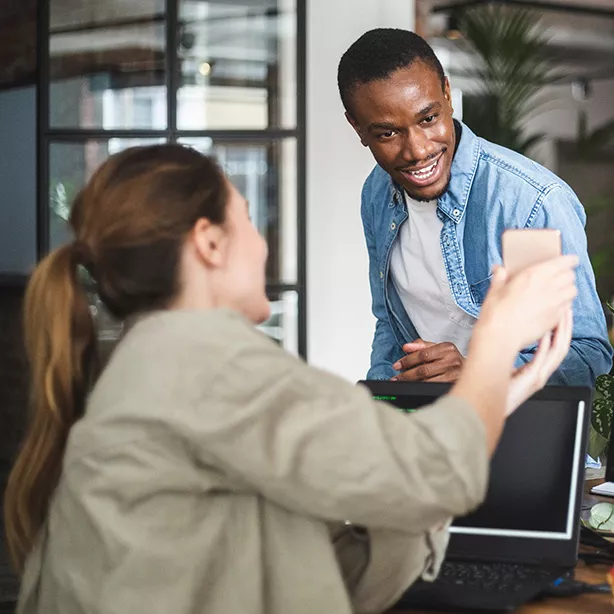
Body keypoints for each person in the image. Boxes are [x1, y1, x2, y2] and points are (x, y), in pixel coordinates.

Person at [5, 144, 577, 614]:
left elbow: (343, 572)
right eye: (249, 221)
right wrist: (495, 338)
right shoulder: (209, 365)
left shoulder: (152, 363)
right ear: (208, 242)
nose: (262, 244)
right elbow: (436, 471)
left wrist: (501, 389)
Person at [337, 28, 612, 386]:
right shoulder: (377, 194)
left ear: (448, 95)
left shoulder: (527, 203)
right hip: (435, 430)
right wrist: (380, 405)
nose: (418, 150)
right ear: (357, 128)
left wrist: (481, 372)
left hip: (521, 433)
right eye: (388, 133)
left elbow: (586, 356)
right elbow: (391, 327)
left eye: (428, 119)